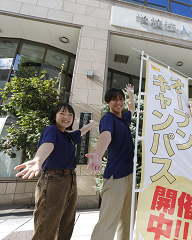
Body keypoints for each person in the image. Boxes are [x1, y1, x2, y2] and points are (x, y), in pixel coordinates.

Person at [14, 103, 98, 240]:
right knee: (47, 225)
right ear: (54, 116)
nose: (66, 117)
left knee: (66, 225)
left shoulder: (69, 137)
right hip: (54, 180)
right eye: (62, 113)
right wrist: (38, 160)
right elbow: (48, 145)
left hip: (70, 180)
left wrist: (92, 123)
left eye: (70, 115)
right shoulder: (51, 130)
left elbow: (82, 130)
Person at [86, 84, 135, 240]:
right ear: (107, 103)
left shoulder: (123, 118)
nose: (119, 102)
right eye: (114, 100)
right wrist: (99, 154)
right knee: (108, 219)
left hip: (129, 174)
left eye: (121, 99)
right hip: (116, 176)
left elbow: (132, 110)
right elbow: (106, 134)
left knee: (127, 218)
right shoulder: (108, 118)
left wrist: (131, 95)